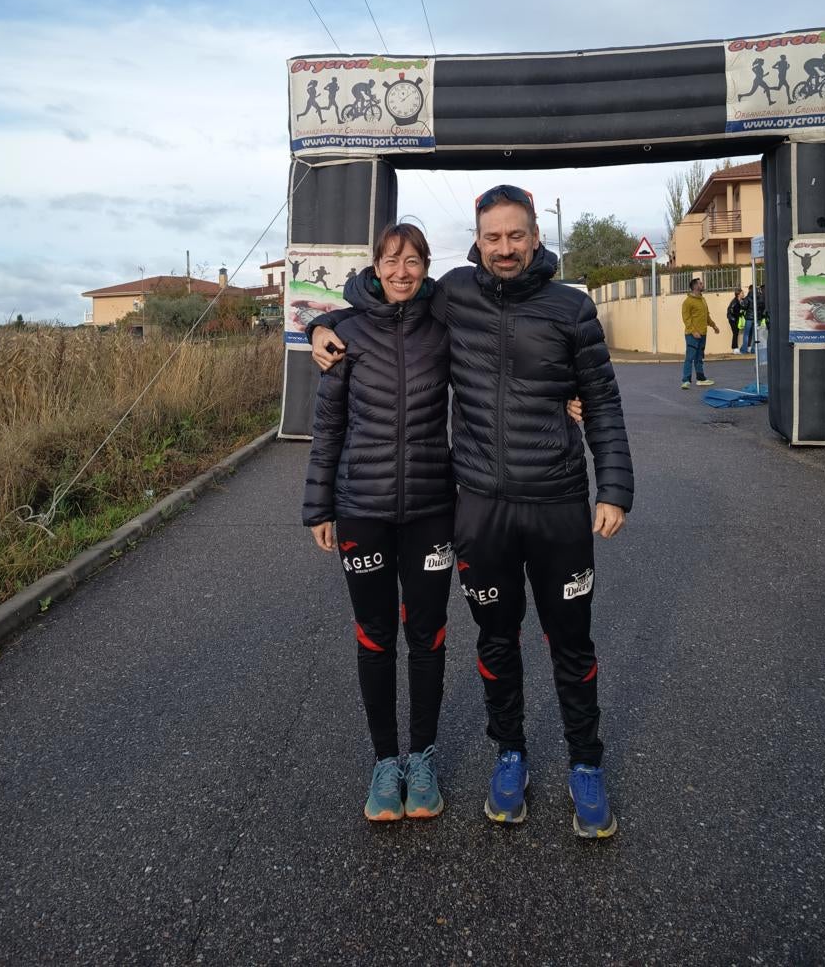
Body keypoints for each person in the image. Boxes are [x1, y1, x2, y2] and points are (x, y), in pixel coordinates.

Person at [311, 184, 633, 840]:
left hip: (558, 504)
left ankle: (586, 764)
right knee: (495, 637)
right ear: (477, 241)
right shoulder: (454, 292)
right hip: (480, 506)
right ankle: (508, 754)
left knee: (569, 640)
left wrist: (613, 487)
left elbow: (600, 399)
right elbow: (378, 293)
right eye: (493, 237)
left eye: (516, 236)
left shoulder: (571, 308)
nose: (505, 248)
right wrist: (322, 323)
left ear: (535, 235)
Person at [303, 224, 453, 823]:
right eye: (392, 261)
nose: (402, 271)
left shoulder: (443, 326)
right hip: (361, 509)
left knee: (428, 635)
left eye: (413, 261)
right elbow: (329, 426)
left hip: (431, 508)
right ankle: (384, 760)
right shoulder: (344, 333)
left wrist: (567, 398)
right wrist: (319, 506)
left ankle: (423, 757)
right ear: (375, 266)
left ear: (425, 266)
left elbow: (502, 370)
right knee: (374, 634)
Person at [681, 277, 719, 387]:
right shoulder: (687, 302)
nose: (702, 285)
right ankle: (686, 380)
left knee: (699, 357)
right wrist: (693, 332)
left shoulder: (703, 300)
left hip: (703, 333)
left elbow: (707, 316)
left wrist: (714, 326)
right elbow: (686, 319)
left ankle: (701, 378)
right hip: (692, 335)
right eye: (700, 283)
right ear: (695, 287)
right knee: (690, 357)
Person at [726, 287, 744, 351]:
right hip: (732, 319)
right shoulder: (735, 302)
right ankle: (735, 348)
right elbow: (731, 311)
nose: (743, 294)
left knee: (736, 332)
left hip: (735, 318)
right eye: (742, 293)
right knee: (735, 332)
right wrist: (739, 314)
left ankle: (735, 347)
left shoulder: (740, 300)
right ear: (738, 294)